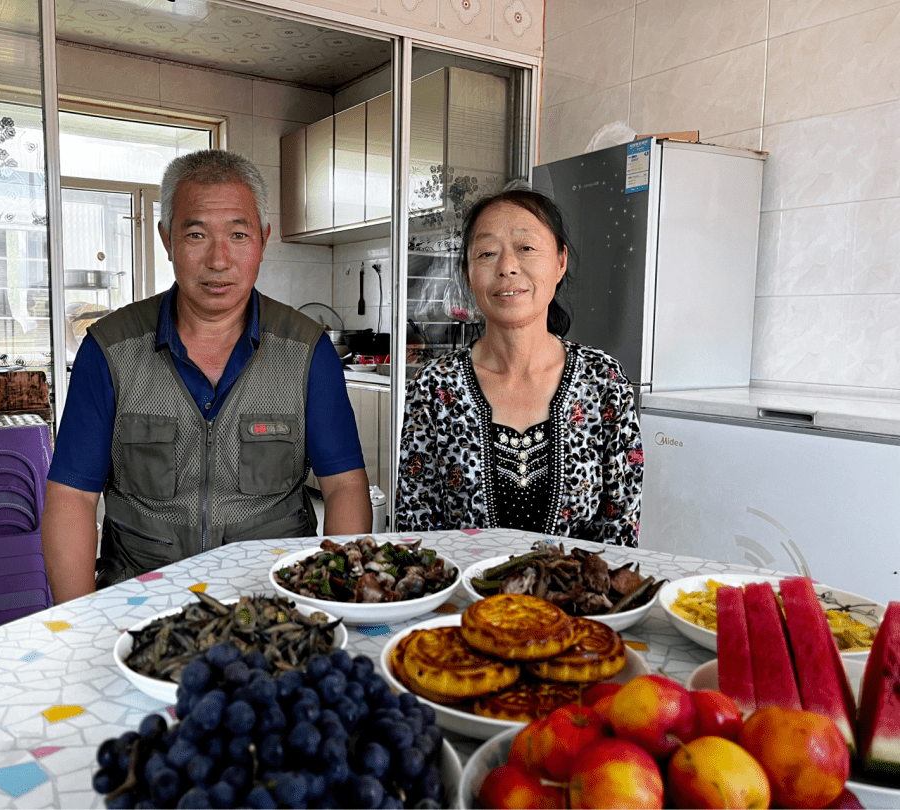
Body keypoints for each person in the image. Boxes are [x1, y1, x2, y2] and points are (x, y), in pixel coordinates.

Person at [42, 150, 371, 602]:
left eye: (238, 234)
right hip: (141, 599)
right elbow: (71, 498)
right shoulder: (109, 350)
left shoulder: (307, 351)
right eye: (196, 234)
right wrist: (78, 625)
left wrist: (334, 603)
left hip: (272, 604)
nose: (219, 260)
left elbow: (345, 487)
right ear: (167, 239)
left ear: (263, 238)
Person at [396, 187, 643, 545]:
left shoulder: (604, 382)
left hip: (574, 601)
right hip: (465, 599)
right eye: (487, 253)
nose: (507, 266)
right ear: (468, 273)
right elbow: (416, 532)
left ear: (560, 262)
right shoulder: (435, 387)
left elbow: (619, 535)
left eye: (526, 248)